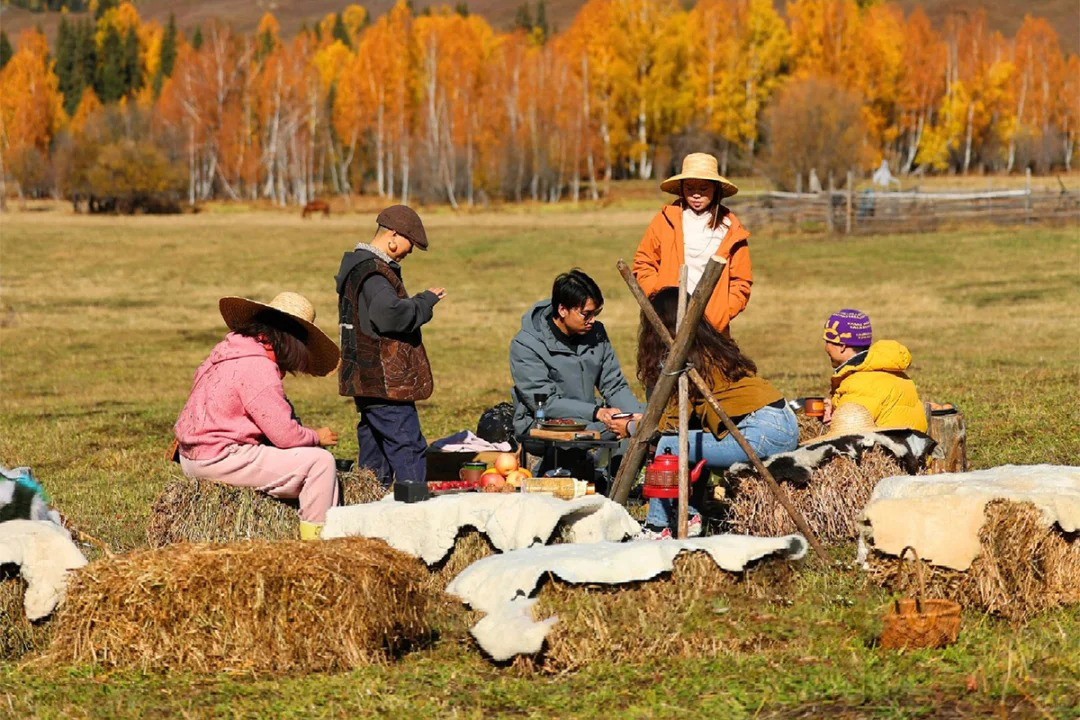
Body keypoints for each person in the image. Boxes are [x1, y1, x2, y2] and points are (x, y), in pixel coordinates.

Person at [615, 287, 798, 538]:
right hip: (782, 422)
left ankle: (658, 527)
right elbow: (684, 422)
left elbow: (669, 428)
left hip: (761, 432)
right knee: (692, 439)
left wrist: (630, 427)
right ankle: (689, 516)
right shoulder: (708, 346)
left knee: (669, 445)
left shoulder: (686, 359)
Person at [174, 292, 342, 540]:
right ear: (291, 341)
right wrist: (316, 436)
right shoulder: (258, 367)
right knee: (320, 464)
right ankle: (317, 547)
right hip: (219, 459)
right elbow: (285, 436)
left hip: (192, 457)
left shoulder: (226, 353)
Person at [335, 205, 445, 502]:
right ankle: (415, 508)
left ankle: (369, 505)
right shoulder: (373, 274)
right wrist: (425, 302)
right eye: (410, 245)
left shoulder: (359, 267)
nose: (409, 252)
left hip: (365, 378)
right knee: (407, 443)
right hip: (384, 381)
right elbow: (390, 316)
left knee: (375, 447)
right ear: (393, 236)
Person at [509, 269, 644, 442]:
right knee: (624, 428)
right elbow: (546, 403)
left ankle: (614, 466)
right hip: (543, 424)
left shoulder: (596, 333)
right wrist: (596, 412)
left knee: (652, 419)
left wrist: (636, 416)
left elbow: (614, 385)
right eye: (586, 314)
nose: (593, 320)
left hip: (591, 418)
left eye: (596, 313)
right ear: (563, 310)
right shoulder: (526, 344)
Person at [633, 152, 752, 334]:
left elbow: (741, 282)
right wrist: (661, 300)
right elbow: (643, 264)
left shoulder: (731, 230)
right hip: (669, 324)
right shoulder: (665, 221)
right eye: (689, 188)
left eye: (703, 189)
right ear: (681, 188)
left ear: (716, 189)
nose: (696, 195)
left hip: (713, 330)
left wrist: (722, 313)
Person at [822, 308, 927, 432]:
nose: (825, 348)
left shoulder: (858, 385)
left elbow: (847, 434)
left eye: (828, 341)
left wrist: (833, 420)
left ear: (842, 346)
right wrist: (836, 408)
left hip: (888, 450)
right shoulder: (896, 373)